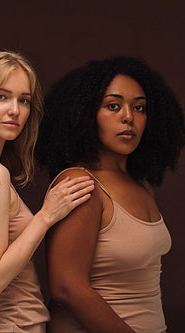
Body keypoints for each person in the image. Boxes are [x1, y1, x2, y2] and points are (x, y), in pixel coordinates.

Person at [35, 56, 185, 333]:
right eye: (113, 106)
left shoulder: (140, 185)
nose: (128, 116)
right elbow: (66, 288)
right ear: (86, 115)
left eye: (139, 108)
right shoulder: (81, 183)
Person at [0, 51, 95, 332]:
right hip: (12, 325)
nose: (15, 110)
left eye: (24, 100)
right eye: (1, 97)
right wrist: (46, 216)